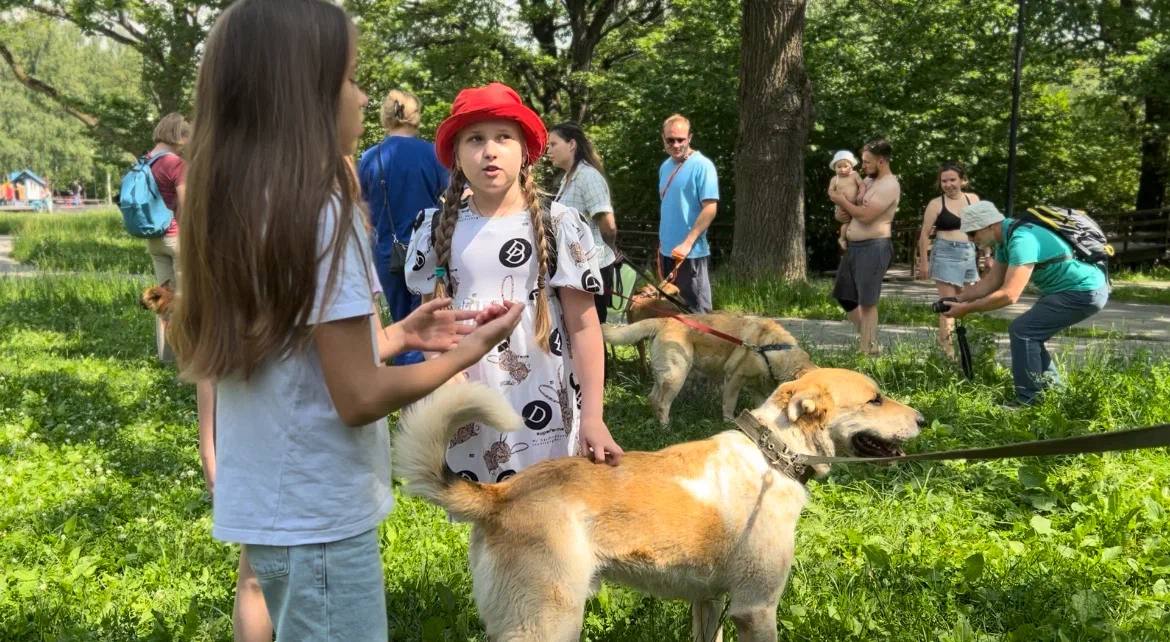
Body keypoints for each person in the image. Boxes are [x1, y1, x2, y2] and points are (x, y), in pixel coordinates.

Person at [169, 2, 523, 639]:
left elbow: (293, 359)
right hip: (320, 518)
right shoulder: (321, 210)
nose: (362, 98)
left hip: (273, 510)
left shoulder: (244, 203)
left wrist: (395, 336)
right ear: (304, 96)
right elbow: (356, 398)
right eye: (350, 78)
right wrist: (467, 356)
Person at [405, 81, 624, 485]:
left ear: (525, 150)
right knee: (482, 510)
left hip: (547, 400)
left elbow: (584, 325)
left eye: (503, 137)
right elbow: (427, 326)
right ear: (455, 155)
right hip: (472, 396)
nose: (489, 150)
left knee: (548, 508)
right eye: (475, 139)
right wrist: (442, 374)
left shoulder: (559, 223)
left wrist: (594, 415)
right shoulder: (435, 228)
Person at [943, 201, 1110, 408]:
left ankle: (1028, 401)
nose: (971, 239)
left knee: (1023, 331)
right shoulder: (1006, 238)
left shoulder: (1022, 239)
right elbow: (992, 282)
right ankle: (1055, 394)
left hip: (1083, 291)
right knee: (1031, 334)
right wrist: (959, 299)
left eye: (972, 233)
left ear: (989, 225)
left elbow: (1009, 295)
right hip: (1067, 291)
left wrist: (967, 309)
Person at [357, 88, 450, 366]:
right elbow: (455, 196)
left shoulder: (370, 158)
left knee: (401, 328)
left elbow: (360, 207)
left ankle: (408, 400)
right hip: (430, 253)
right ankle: (431, 393)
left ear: (386, 117)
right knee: (431, 322)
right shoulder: (433, 154)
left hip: (387, 254)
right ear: (416, 117)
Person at [829, 138, 901, 355]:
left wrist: (843, 204)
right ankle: (870, 340)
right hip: (854, 248)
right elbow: (848, 209)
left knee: (867, 301)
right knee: (845, 296)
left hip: (874, 247)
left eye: (867, 162)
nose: (863, 165)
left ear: (881, 161)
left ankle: (865, 348)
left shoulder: (890, 184)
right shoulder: (867, 182)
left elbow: (866, 216)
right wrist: (839, 212)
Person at [547, 121, 619, 322]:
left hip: (594, 267)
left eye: (553, 145)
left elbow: (608, 225)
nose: (549, 151)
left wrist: (610, 251)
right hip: (576, 267)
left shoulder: (589, 177)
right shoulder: (567, 178)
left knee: (592, 326)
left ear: (571, 144)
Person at [917, 162, 982, 358]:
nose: (948, 184)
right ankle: (948, 351)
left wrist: (987, 256)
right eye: (944, 181)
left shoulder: (973, 199)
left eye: (952, 179)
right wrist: (924, 263)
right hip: (945, 253)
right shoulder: (936, 204)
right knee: (948, 303)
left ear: (963, 180)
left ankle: (946, 339)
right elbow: (924, 235)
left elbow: (982, 227)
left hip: (969, 253)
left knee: (963, 301)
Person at [657, 114, 718, 313]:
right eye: (670, 140)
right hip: (667, 253)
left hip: (690, 254)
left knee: (698, 316)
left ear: (689, 138)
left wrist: (688, 242)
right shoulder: (665, 167)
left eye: (681, 139)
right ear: (663, 139)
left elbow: (710, 207)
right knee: (672, 316)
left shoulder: (702, 166)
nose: (676, 144)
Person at [828, 150, 866, 251]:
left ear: (851, 166)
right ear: (834, 168)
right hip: (842, 206)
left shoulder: (854, 175)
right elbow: (830, 191)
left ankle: (858, 240)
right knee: (846, 223)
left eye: (846, 166)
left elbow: (862, 184)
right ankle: (842, 238)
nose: (842, 169)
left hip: (856, 204)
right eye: (839, 167)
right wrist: (835, 198)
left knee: (857, 221)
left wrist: (861, 193)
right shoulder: (835, 179)